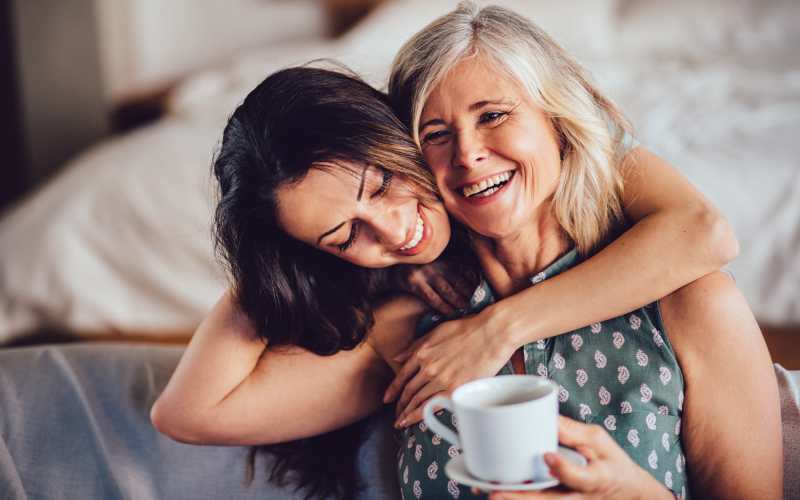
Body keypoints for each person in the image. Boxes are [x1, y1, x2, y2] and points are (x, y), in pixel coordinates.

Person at [150, 62, 747, 500]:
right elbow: (192, 413)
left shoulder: (679, 298)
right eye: (343, 237)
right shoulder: (413, 336)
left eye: (382, 184)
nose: (394, 231)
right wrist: (271, 262)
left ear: (403, 135)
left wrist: (497, 329)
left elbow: (705, 231)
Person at [384, 2, 782, 499]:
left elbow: (707, 231)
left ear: (558, 121)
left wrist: (498, 328)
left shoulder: (690, 308)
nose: (467, 155)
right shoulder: (412, 324)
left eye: (493, 115)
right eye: (435, 135)